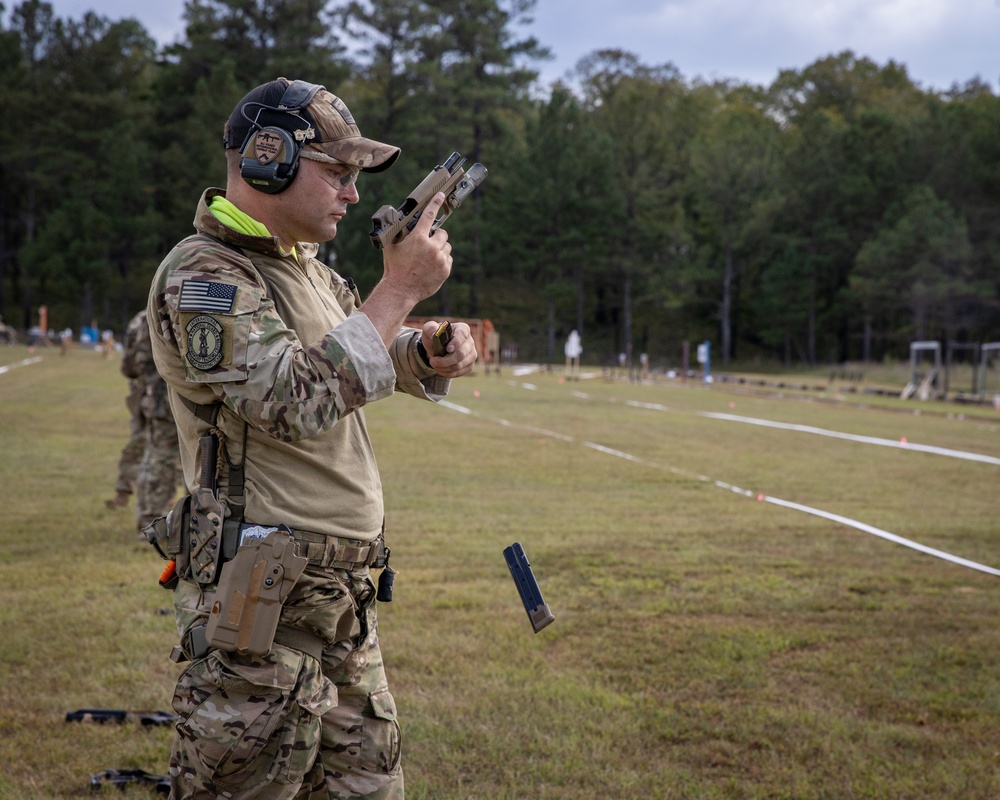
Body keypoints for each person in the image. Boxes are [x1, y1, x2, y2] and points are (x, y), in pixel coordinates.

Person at [145, 77, 477, 799]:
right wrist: (400, 291)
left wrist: (427, 349)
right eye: (338, 172)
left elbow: (364, 347)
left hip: (337, 601)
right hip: (264, 610)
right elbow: (290, 398)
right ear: (268, 160)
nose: (353, 195)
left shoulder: (307, 273)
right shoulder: (207, 274)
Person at [107, 310, 182, 532]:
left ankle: (149, 520)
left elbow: (127, 368)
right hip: (176, 399)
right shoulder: (180, 310)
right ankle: (155, 524)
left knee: (153, 456)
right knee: (170, 460)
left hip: (149, 400)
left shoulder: (140, 320)